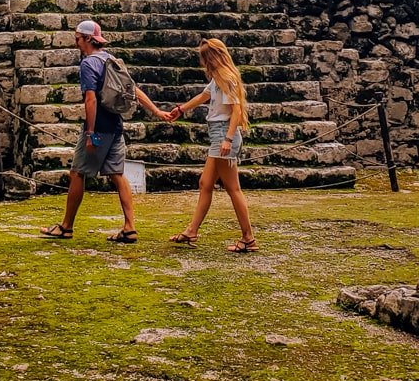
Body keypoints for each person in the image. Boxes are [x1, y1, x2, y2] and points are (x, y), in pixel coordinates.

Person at [40, 19, 169, 244]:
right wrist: (156, 111)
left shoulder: (89, 64)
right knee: (118, 175)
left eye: (78, 39)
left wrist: (90, 133)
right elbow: (133, 90)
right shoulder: (112, 60)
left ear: (88, 39)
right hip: (116, 126)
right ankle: (129, 227)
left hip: (99, 127)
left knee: (77, 173)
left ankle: (66, 226)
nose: (76, 43)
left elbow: (90, 100)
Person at [167, 37, 257, 252]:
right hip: (218, 134)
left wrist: (227, 138)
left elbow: (236, 111)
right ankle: (192, 230)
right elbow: (203, 96)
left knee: (233, 188)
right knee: (205, 183)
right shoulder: (217, 78)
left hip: (223, 133)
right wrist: (180, 110)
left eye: (207, 57)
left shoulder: (226, 77)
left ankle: (248, 238)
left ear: (216, 56)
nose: (205, 62)